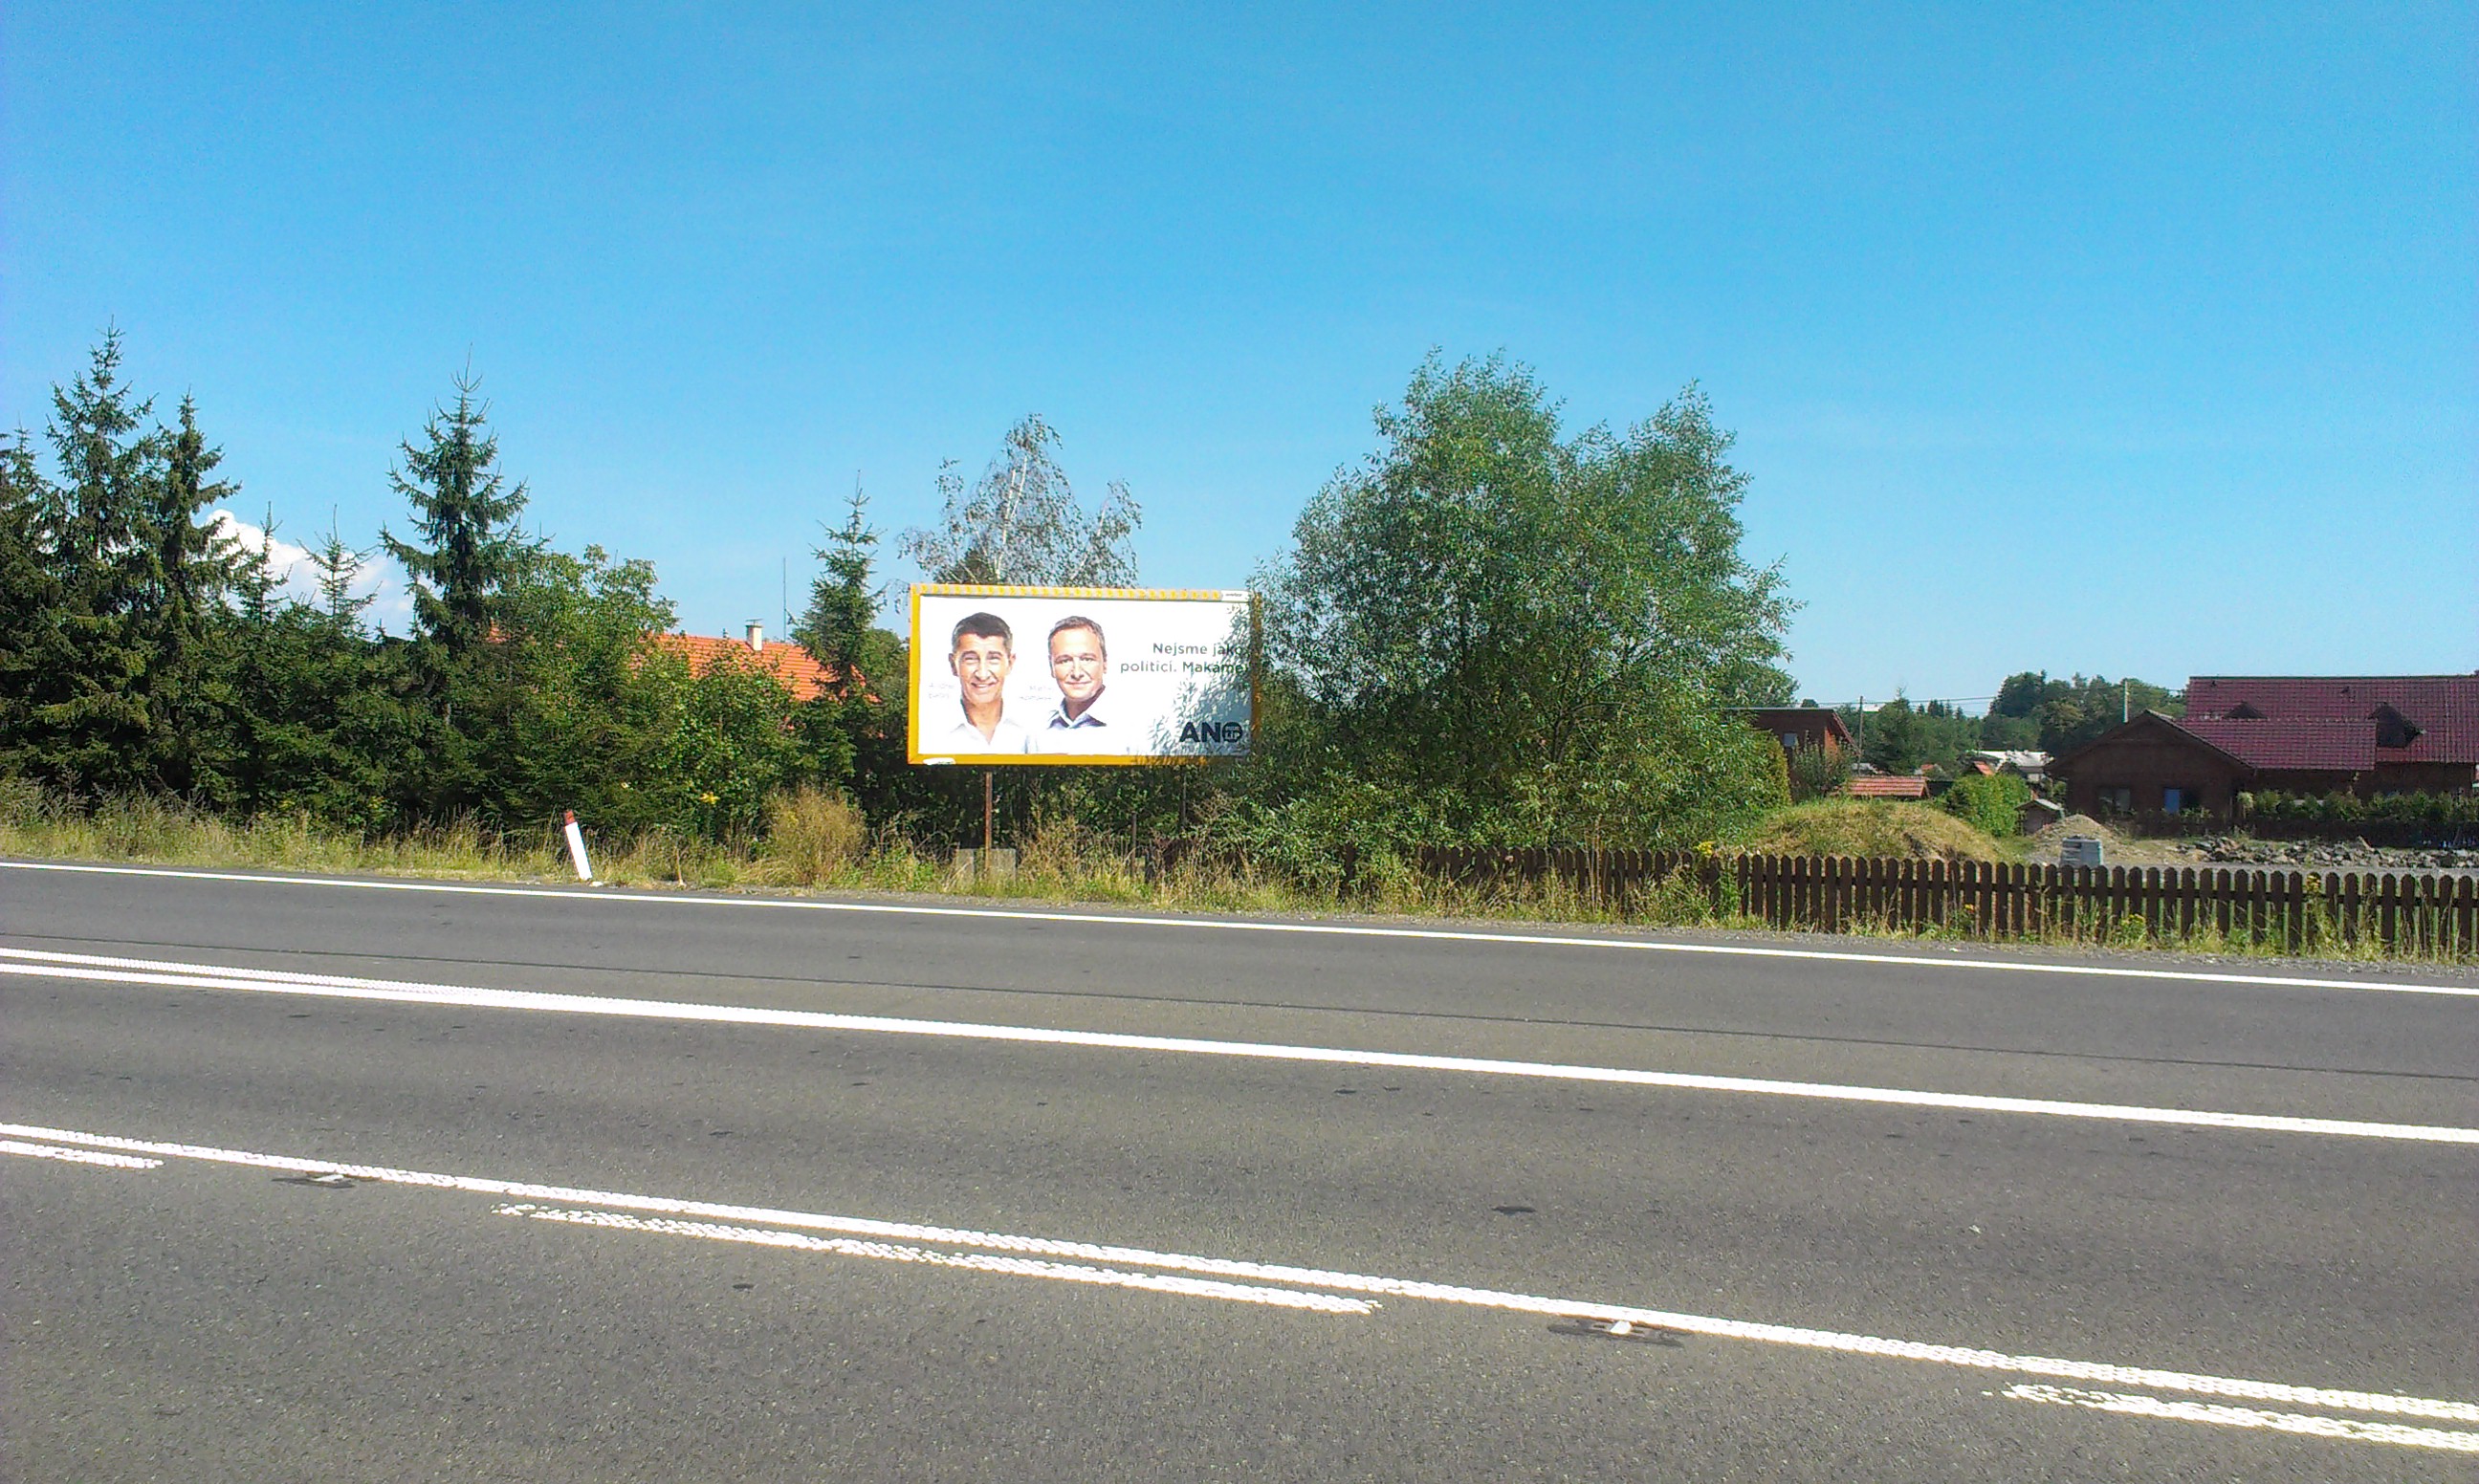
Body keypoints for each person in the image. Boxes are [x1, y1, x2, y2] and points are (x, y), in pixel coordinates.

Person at [929, 612, 1029, 753]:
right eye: (971, 659)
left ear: (1010, 663)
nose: (982, 674)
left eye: (993, 658)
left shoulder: (1032, 729)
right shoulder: (931, 734)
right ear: (953, 665)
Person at [1034, 616, 1117, 752]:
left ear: (1105, 663)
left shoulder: (1136, 729)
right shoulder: (1037, 732)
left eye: (1087, 659)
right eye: (1065, 661)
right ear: (1051, 667)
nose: (1077, 673)